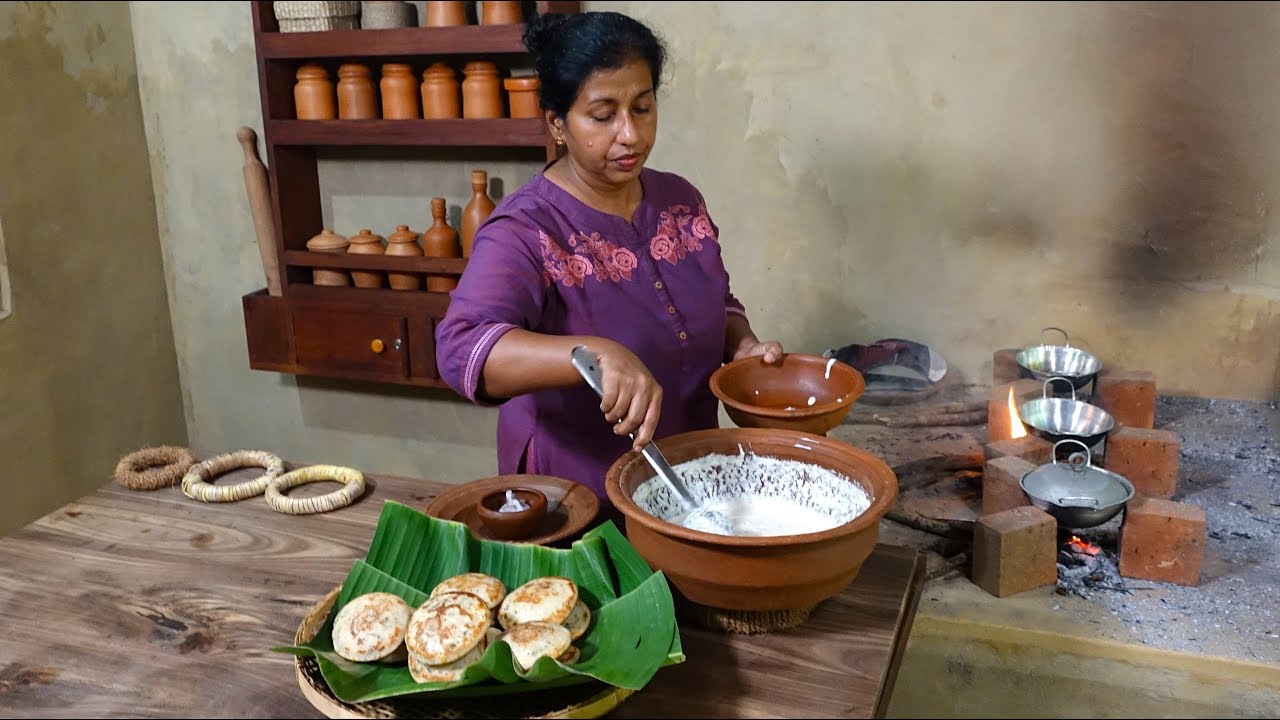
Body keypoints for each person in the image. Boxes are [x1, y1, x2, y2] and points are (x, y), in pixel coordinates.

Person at [434, 10, 783, 505]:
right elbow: (461, 350)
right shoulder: (529, 227)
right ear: (557, 123)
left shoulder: (680, 200)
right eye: (603, 116)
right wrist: (593, 354)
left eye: (642, 108)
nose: (631, 135)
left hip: (686, 479)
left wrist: (742, 345)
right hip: (577, 495)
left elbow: (715, 302)